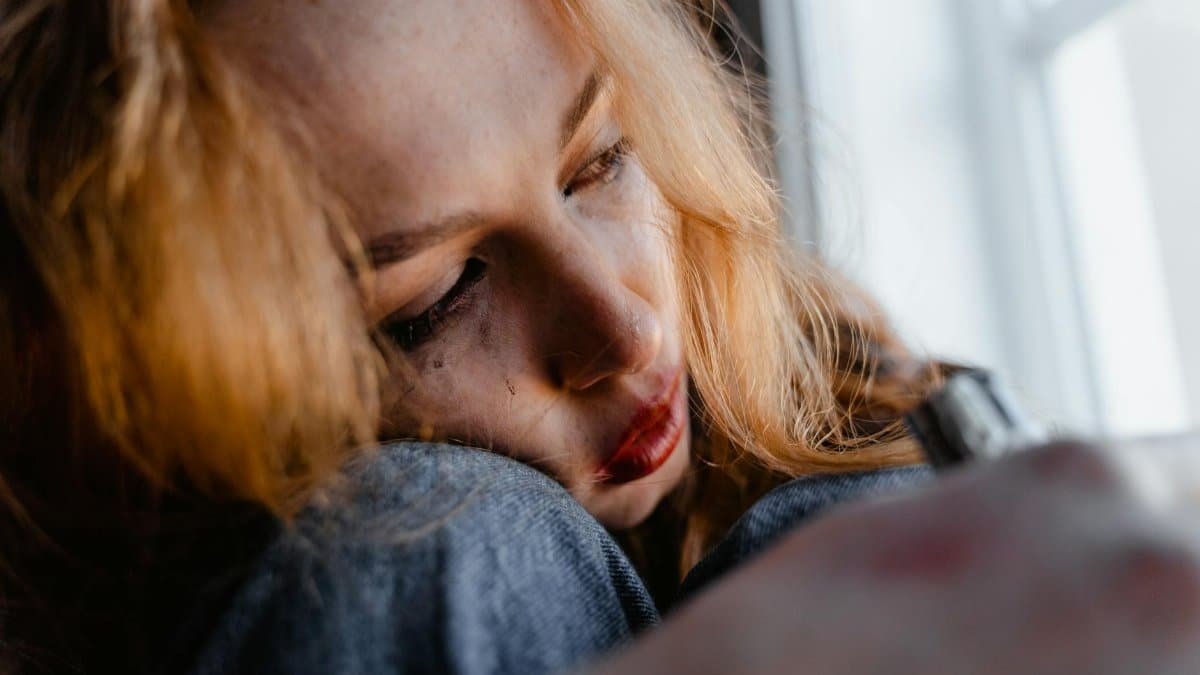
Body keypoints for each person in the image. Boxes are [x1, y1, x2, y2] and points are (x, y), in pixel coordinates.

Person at [2, 1, 1198, 673]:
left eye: (603, 160)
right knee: (433, 536)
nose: (623, 327)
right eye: (434, 299)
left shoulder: (858, 397)